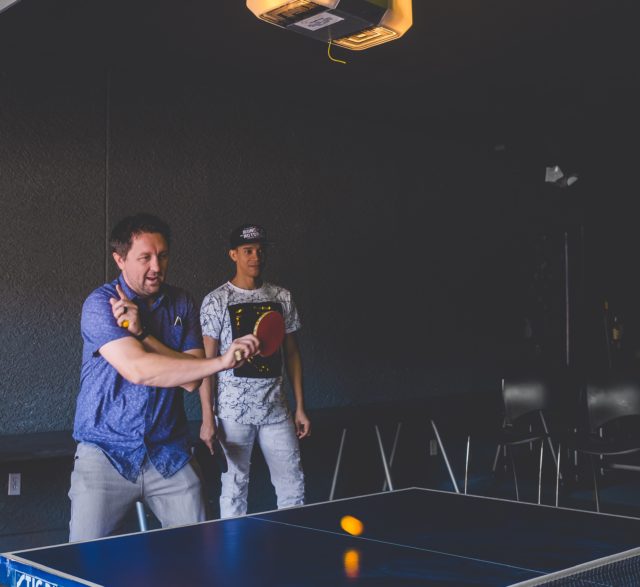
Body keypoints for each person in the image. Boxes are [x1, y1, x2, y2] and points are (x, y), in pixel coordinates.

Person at [69, 213, 259, 541]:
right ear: (120, 259)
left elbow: (189, 380)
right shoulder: (101, 304)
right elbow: (139, 370)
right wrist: (221, 362)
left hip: (168, 452)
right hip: (105, 452)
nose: (156, 266)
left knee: (198, 553)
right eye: (145, 257)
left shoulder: (181, 302)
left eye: (163, 255)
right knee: (81, 561)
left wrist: (143, 333)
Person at [199, 223, 311, 518]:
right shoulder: (216, 301)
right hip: (232, 415)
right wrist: (207, 418)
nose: (255, 257)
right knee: (234, 489)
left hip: (276, 412)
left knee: (293, 488)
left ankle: (292, 549)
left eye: (260, 251)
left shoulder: (282, 297)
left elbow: (293, 354)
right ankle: (232, 555)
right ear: (233, 254)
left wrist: (300, 407)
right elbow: (206, 364)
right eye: (248, 251)